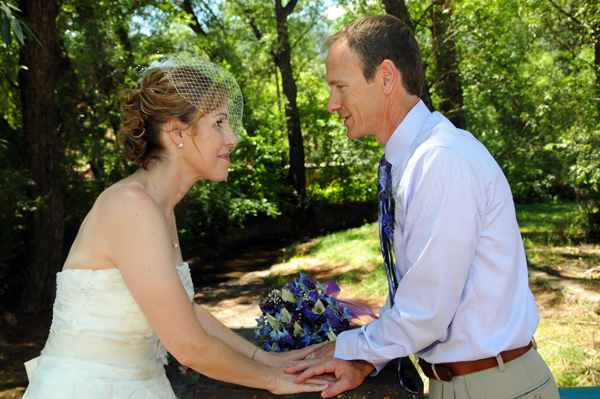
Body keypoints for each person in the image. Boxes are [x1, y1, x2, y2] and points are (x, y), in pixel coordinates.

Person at [23, 52, 333, 398]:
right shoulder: (130, 206)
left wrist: (269, 359)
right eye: (219, 122)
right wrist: (275, 381)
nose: (232, 138)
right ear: (177, 132)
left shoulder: (159, 208)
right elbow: (188, 346)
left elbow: (184, 313)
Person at [286, 15, 560, 399]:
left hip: (494, 387)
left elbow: (426, 314)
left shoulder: (440, 160)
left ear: (385, 77)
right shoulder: (412, 159)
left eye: (340, 87)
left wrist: (348, 347)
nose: (333, 104)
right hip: (458, 384)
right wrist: (366, 359)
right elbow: (413, 292)